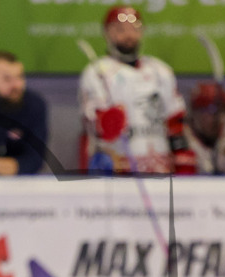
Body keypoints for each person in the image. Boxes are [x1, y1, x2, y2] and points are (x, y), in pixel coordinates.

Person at [79, 5, 193, 175]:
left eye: (135, 28)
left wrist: (184, 163)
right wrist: (108, 121)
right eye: (120, 29)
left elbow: (175, 123)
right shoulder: (97, 72)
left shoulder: (161, 71)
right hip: (117, 172)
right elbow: (94, 126)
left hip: (160, 170)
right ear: (106, 33)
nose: (128, 35)